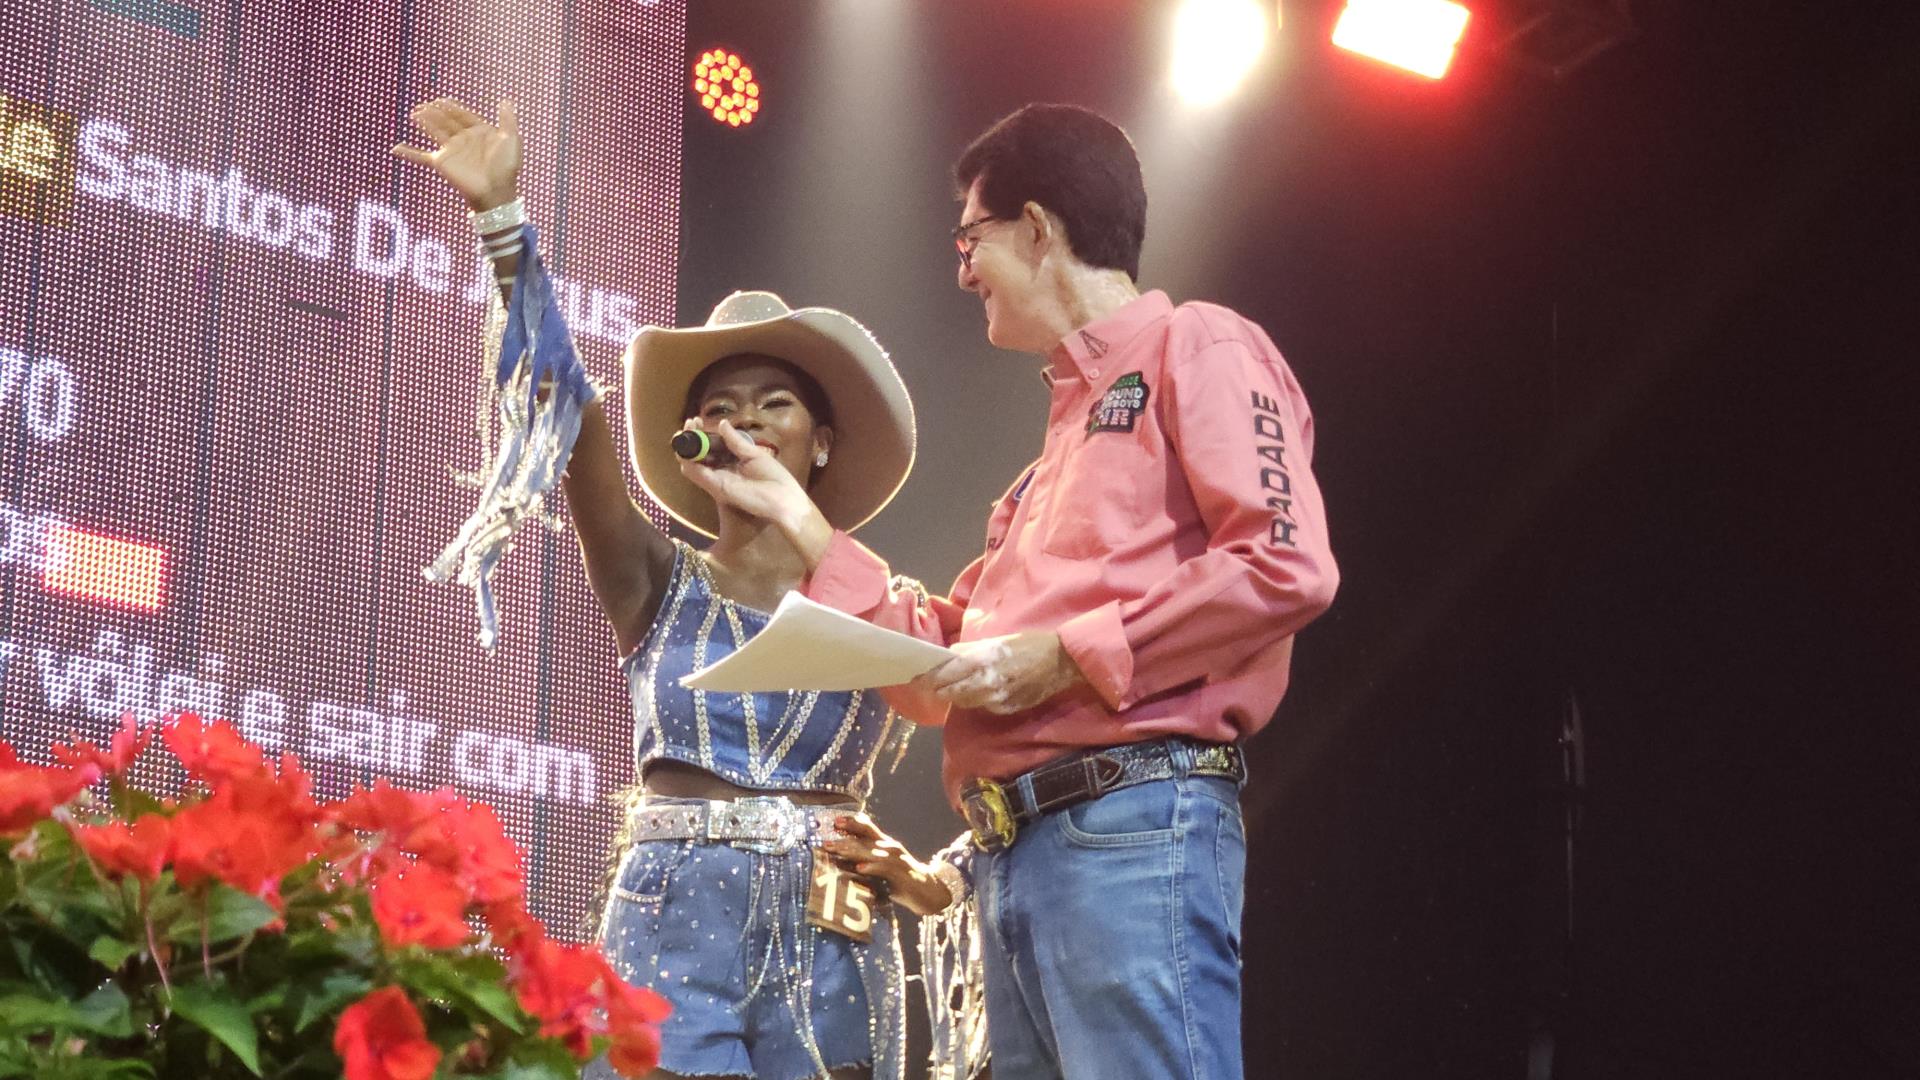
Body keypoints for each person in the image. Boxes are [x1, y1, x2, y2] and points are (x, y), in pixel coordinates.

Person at [686, 103, 1340, 1080]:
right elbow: (942, 672)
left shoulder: (1200, 345)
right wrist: (798, 516)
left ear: (1037, 228)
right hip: (1015, 852)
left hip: (1131, 824)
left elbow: (1284, 566)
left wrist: (1066, 656)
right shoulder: (1042, 469)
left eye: (971, 238)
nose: (962, 271)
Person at [394, 97, 945, 1080]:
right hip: (673, 920)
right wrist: (503, 224)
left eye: (775, 402)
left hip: (835, 931)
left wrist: (927, 877)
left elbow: (971, 708)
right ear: (691, 446)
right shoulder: (655, 578)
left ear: (822, 441)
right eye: (718, 408)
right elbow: (569, 408)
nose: (745, 421)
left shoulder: (880, 599)